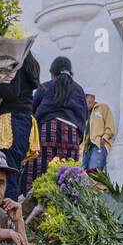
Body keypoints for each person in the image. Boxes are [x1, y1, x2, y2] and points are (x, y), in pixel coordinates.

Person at [0, 51, 41, 198]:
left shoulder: (17, 61)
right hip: (23, 122)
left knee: (7, 173)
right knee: (11, 172)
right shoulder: (30, 64)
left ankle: (8, 217)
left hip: (11, 123)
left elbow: (13, 91)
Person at [22, 57, 89, 195]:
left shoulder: (45, 87)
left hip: (46, 131)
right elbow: (84, 116)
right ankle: (63, 206)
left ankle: (32, 202)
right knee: (66, 174)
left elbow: (31, 110)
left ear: (52, 73)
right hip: (71, 134)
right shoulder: (79, 90)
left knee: (39, 172)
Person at [81, 94, 116, 173]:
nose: (86, 101)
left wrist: (105, 137)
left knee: (93, 172)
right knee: (82, 176)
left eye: (87, 97)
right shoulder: (83, 114)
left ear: (93, 98)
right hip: (85, 149)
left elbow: (110, 124)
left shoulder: (102, 107)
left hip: (98, 145)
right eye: (84, 98)